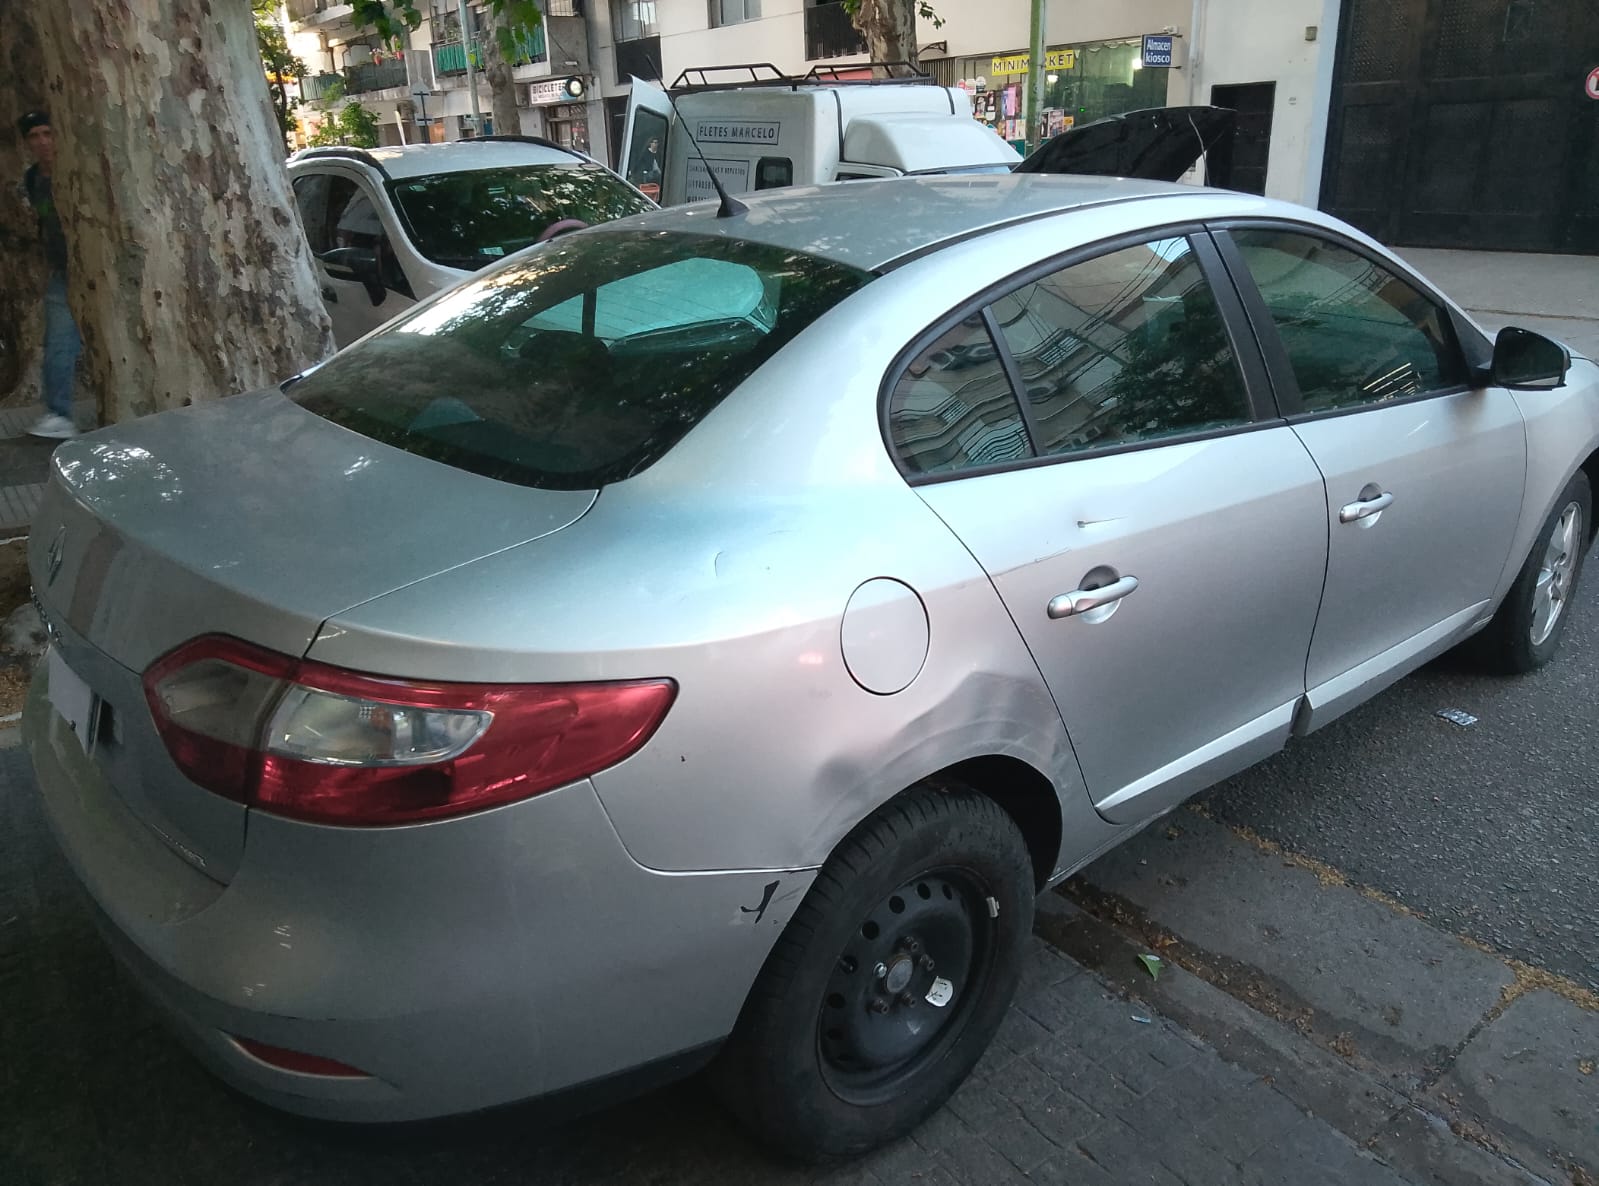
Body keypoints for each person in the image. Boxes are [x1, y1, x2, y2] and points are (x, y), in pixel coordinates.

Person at [18, 110, 81, 440]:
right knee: (58, 342)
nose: (42, 142)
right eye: (34, 136)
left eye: (47, 133)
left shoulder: (78, 170)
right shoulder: (32, 179)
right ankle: (59, 414)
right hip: (62, 271)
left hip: (99, 269)